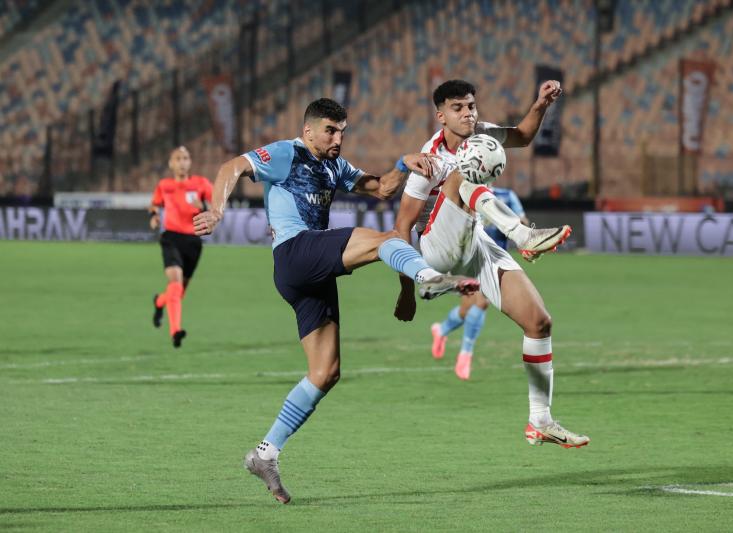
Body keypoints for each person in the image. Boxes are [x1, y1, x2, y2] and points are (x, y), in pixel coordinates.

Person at [192, 98, 478, 504]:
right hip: (295, 251)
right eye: (330, 131)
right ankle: (428, 278)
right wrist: (217, 211)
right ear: (308, 130)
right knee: (386, 239)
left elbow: (382, 188)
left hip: (311, 275)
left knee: (325, 372)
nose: (338, 139)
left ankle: (265, 453)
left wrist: (403, 164)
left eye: (342, 131)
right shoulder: (286, 153)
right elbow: (231, 167)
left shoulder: (335, 166)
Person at [393, 80, 589, 449]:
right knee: (462, 173)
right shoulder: (429, 157)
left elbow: (523, 136)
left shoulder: (482, 133)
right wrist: (408, 287)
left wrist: (540, 104)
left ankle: (541, 421)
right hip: (436, 248)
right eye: (457, 108)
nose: (467, 113)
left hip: (474, 241)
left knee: (539, 322)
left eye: (470, 106)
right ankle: (523, 235)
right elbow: (402, 226)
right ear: (441, 116)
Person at [430, 185, 529, 380]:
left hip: (494, 260)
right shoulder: (465, 191)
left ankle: (441, 330)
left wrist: (517, 225)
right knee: (480, 303)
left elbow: (522, 221)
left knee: (468, 308)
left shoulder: (507, 196)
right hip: (467, 257)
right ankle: (465, 354)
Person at [149, 146, 213, 348]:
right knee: (175, 282)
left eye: (185, 158)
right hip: (171, 238)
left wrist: (204, 207)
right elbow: (154, 204)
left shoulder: (201, 184)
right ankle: (175, 331)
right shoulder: (164, 185)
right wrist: (154, 216)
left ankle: (159, 302)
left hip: (193, 242)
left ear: (190, 162)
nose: (182, 162)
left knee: (178, 292)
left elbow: (216, 207)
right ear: (171, 163)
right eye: (178, 158)